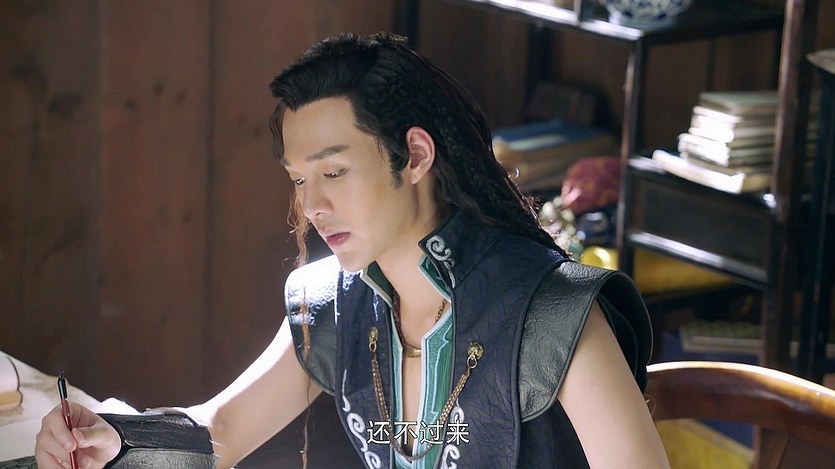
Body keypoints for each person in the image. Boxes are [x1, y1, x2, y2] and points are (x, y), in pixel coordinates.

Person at [35, 32, 669, 468]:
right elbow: (221, 430)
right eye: (298, 180)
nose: (312, 205)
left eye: (334, 172)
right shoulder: (335, 303)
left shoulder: (554, 315)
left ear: (414, 155)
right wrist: (115, 442)